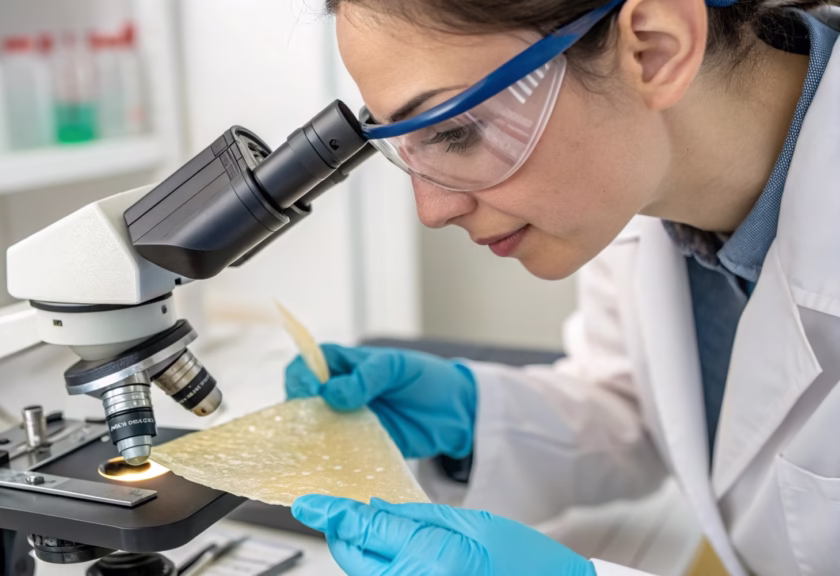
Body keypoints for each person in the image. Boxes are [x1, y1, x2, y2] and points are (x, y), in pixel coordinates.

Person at [283, 0, 840, 574]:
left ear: (656, 48)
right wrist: (471, 422)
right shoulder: (639, 184)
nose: (433, 210)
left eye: (455, 131)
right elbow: (646, 411)